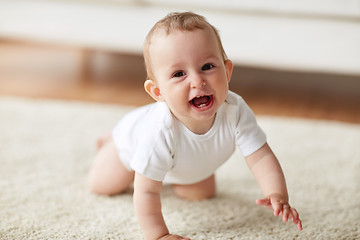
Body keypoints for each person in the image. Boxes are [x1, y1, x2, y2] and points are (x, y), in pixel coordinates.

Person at [89, 11, 302, 240]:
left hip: (185, 164)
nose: (197, 81)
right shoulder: (159, 131)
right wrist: (158, 235)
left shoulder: (235, 109)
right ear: (158, 92)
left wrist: (276, 192)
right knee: (103, 185)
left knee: (202, 193)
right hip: (128, 145)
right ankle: (110, 140)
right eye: (179, 73)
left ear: (227, 70)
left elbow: (260, 156)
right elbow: (147, 190)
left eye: (208, 66)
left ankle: (160, 168)